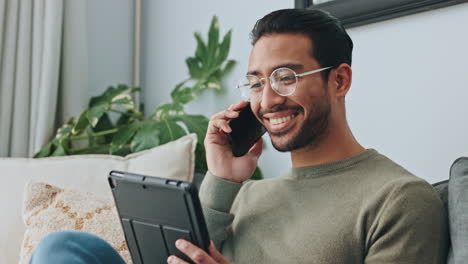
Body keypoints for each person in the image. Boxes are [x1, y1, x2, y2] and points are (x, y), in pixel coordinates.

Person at [30, 8, 448, 264]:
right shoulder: (244, 194)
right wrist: (223, 178)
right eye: (255, 82)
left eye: (286, 77)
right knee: (64, 249)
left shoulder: (398, 198)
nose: (267, 100)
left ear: (339, 80)